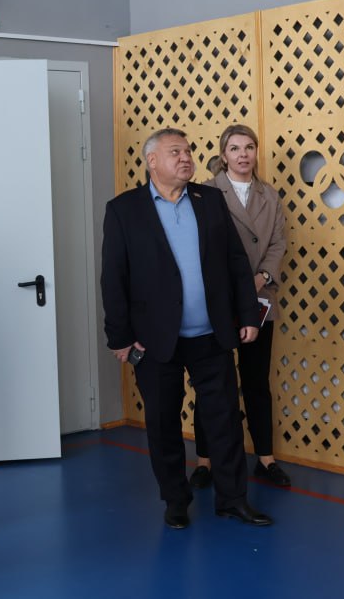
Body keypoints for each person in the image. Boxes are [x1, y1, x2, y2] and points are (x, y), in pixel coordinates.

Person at [101, 127, 272, 530]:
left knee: (225, 420)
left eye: (188, 151)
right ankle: (175, 500)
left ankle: (233, 499)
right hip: (154, 340)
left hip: (211, 335)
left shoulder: (209, 200)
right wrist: (119, 338)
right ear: (152, 161)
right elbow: (113, 277)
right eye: (175, 152)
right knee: (163, 424)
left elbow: (235, 261)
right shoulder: (124, 209)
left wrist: (248, 315)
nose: (186, 158)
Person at [191, 124, 291, 490]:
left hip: (259, 298)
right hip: (217, 300)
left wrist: (260, 278)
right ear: (224, 155)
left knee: (256, 381)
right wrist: (232, 284)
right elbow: (199, 244)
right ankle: (205, 461)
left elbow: (278, 243)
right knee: (212, 384)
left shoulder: (270, 195)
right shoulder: (204, 193)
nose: (243, 154)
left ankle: (265, 459)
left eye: (249, 147)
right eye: (235, 148)